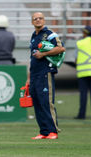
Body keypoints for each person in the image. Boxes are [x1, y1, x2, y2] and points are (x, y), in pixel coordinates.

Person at [28, 12, 65, 140]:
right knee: (37, 102)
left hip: (45, 72)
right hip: (34, 74)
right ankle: (43, 131)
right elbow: (31, 58)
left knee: (46, 102)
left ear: (44, 20)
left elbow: (60, 48)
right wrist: (28, 78)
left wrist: (43, 54)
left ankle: (53, 131)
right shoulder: (33, 36)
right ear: (32, 22)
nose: (38, 20)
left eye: (40, 18)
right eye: (35, 19)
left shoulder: (49, 34)